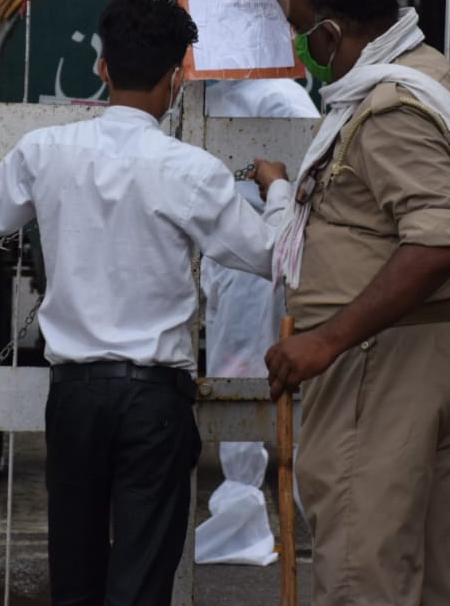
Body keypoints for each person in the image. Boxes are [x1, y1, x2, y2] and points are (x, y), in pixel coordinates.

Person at [189, 0, 450, 605]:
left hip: (378, 367)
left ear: (333, 30)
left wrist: (325, 341)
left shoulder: (389, 107)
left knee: (362, 573)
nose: (304, 48)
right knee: (431, 570)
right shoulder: (416, 64)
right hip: (421, 351)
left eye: (306, 35)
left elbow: (437, 240)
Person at [0, 0, 291, 606]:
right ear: (177, 76)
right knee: (140, 583)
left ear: (102, 67)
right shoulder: (192, 171)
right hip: (154, 403)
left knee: (74, 579)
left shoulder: (45, 152)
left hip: (75, 397)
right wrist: (280, 190)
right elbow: (275, 257)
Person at [194, 78, 318, 567]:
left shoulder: (278, 97)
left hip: (271, 249)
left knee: (270, 377)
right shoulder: (197, 92)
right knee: (238, 372)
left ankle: (302, 509)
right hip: (228, 256)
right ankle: (243, 515)